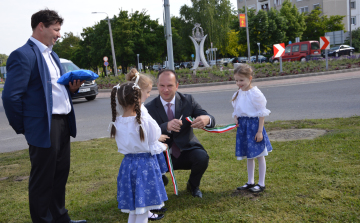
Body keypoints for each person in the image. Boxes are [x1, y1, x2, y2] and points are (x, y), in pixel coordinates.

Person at [1, 9, 86, 223]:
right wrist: (26, 127)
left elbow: (53, 91)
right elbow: (11, 97)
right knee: (43, 179)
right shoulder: (23, 55)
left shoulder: (53, 55)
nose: (59, 35)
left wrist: (72, 90)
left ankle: (60, 217)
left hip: (63, 122)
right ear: (41, 26)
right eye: (56, 29)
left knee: (59, 175)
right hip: (43, 127)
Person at [145, 69, 216, 198]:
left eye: (170, 85)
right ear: (157, 85)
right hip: (161, 153)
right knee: (146, 164)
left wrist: (207, 119)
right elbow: (145, 131)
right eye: (162, 85)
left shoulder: (188, 100)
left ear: (177, 85)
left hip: (186, 149)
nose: (165, 89)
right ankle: (159, 183)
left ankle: (193, 186)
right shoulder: (148, 108)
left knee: (202, 157)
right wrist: (165, 126)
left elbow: (209, 117)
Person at [109, 82, 168, 223]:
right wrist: (162, 146)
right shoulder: (144, 121)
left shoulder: (116, 122)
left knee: (136, 209)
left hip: (127, 167)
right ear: (138, 98)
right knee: (142, 209)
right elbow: (154, 139)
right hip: (145, 167)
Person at [125, 68, 169, 220]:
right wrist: (159, 143)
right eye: (148, 91)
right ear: (138, 91)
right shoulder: (141, 113)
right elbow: (152, 133)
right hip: (144, 163)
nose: (149, 95)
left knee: (135, 207)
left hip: (129, 162)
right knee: (143, 205)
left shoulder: (125, 111)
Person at [231, 64, 273, 193]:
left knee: (259, 155)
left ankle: (261, 183)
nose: (239, 83)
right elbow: (238, 109)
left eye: (241, 80)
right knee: (249, 156)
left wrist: (260, 131)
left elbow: (261, 113)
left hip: (254, 127)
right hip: (243, 127)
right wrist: (236, 117)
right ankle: (250, 181)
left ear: (250, 78)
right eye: (237, 80)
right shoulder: (238, 93)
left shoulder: (255, 94)